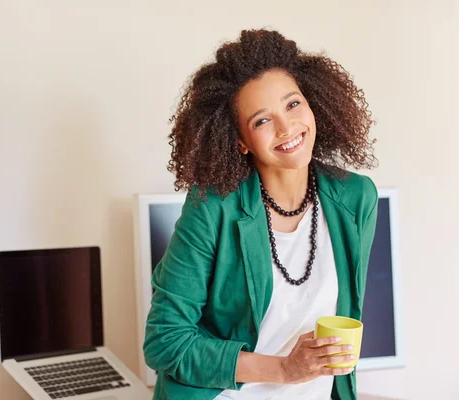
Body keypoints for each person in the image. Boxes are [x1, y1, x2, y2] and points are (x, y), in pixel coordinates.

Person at [143, 29, 379, 400]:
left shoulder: (355, 198)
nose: (287, 128)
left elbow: (346, 316)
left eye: (292, 104)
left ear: (312, 102)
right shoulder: (211, 207)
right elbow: (165, 341)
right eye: (261, 121)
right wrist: (283, 369)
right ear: (239, 140)